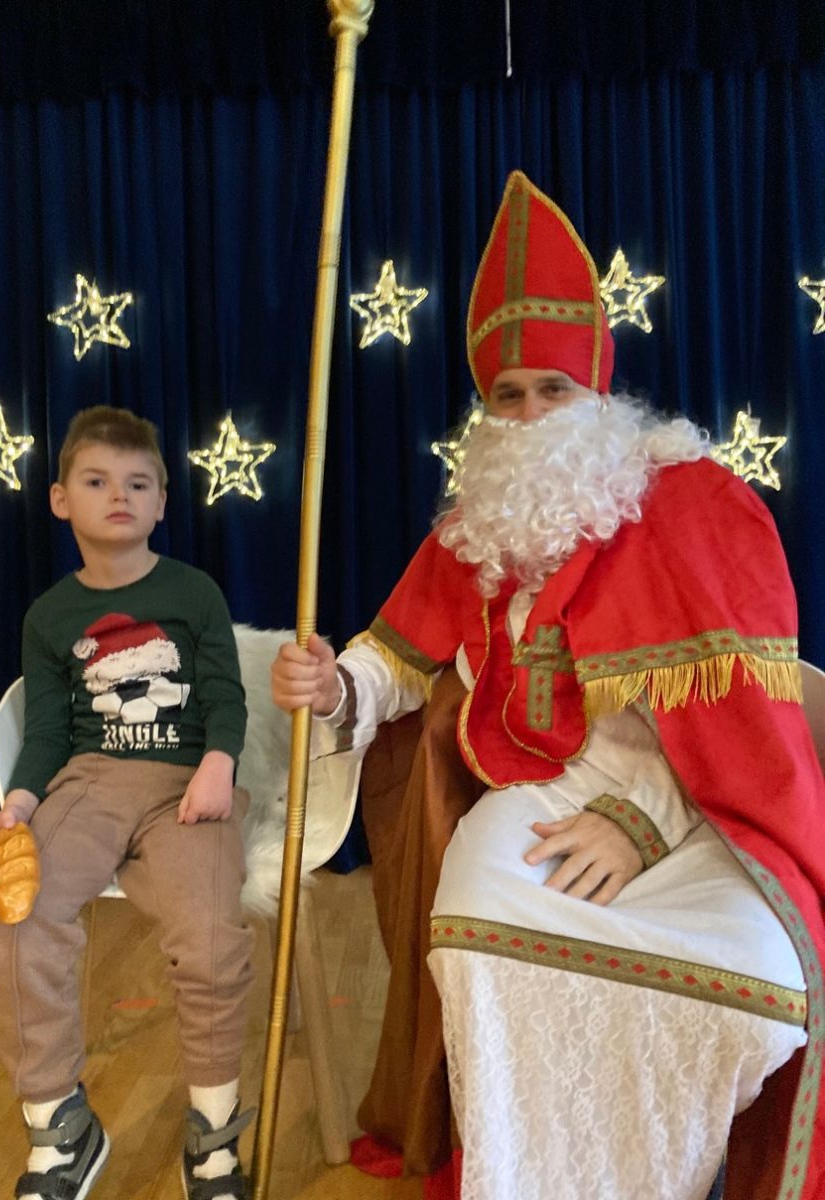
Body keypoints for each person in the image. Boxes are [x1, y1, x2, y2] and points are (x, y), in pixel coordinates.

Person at [271, 172, 825, 1200]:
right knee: (475, 939)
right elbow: (397, 659)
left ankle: (661, 1175)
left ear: (599, 392)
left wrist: (643, 825)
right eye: (507, 396)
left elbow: (740, 737)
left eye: (553, 391)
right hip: (541, 797)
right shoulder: (478, 524)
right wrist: (335, 684)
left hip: (700, 816)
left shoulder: (694, 505)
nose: (530, 416)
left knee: (757, 985)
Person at [0, 406, 253, 1200]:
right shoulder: (49, 615)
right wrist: (18, 805)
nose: (119, 497)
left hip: (185, 788)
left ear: (162, 501)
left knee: (210, 940)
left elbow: (225, 696)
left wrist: (219, 764)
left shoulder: (193, 592)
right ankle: (59, 1123)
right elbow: (48, 731)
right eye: (97, 482)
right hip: (89, 783)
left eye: (138, 483)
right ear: (62, 499)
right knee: (16, 918)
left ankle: (213, 1132)